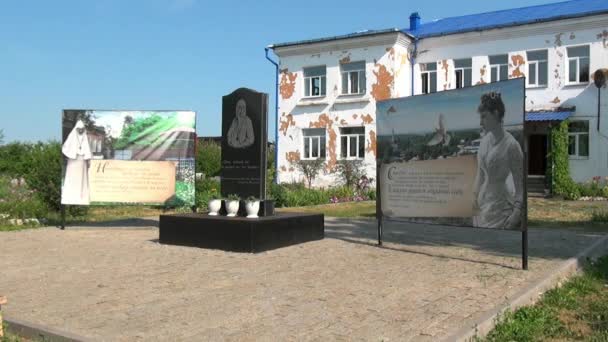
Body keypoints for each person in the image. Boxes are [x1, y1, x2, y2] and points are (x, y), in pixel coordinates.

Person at [472, 91, 524, 229]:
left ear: (495, 114)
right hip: (481, 209)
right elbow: (480, 174)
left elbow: (520, 186)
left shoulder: (511, 146)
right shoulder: (484, 142)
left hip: (501, 212)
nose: (480, 122)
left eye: (484, 117)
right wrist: (474, 198)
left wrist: (516, 213)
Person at [61, 120, 92, 205]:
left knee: (81, 178)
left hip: (81, 160)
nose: (81, 130)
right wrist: (70, 153)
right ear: (76, 128)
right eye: (79, 129)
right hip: (73, 160)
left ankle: (81, 195)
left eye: (82, 129)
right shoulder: (72, 136)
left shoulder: (85, 137)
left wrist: (88, 159)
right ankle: (71, 195)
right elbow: (66, 147)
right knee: (72, 178)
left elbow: (87, 149)